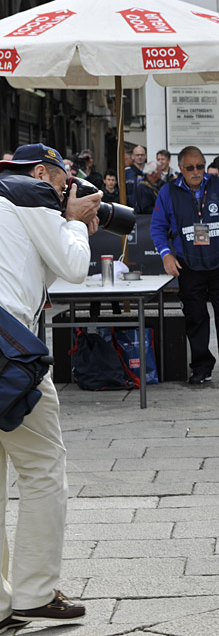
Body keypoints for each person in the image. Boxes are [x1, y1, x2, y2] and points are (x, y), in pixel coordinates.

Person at [0, 143, 96, 628]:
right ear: (42, 171)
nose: (67, 188)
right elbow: (74, 266)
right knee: (42, 467)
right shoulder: (31, 191)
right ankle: (35, 592)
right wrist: (75, 220)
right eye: (65, 179)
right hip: (8, 351)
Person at [151, 146, 219, 385]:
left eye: (200, 167)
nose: (196, 172)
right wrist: (166, 255)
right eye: (190, 168)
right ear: (180, 169)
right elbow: (158, 227)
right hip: (189, 265)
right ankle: (202, 367)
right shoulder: (168, 192)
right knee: (195, 318)